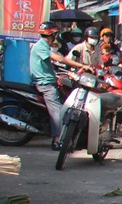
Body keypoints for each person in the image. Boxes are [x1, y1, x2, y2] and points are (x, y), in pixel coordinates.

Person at [29, 21, 93, 149]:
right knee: (58, 111)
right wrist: (81, 65)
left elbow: (55, 62)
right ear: (52, 35)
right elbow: (59, 59)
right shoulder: (41, 46)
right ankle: (57, 140)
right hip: (45, 84)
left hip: (46, 81)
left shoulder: (44, 47)